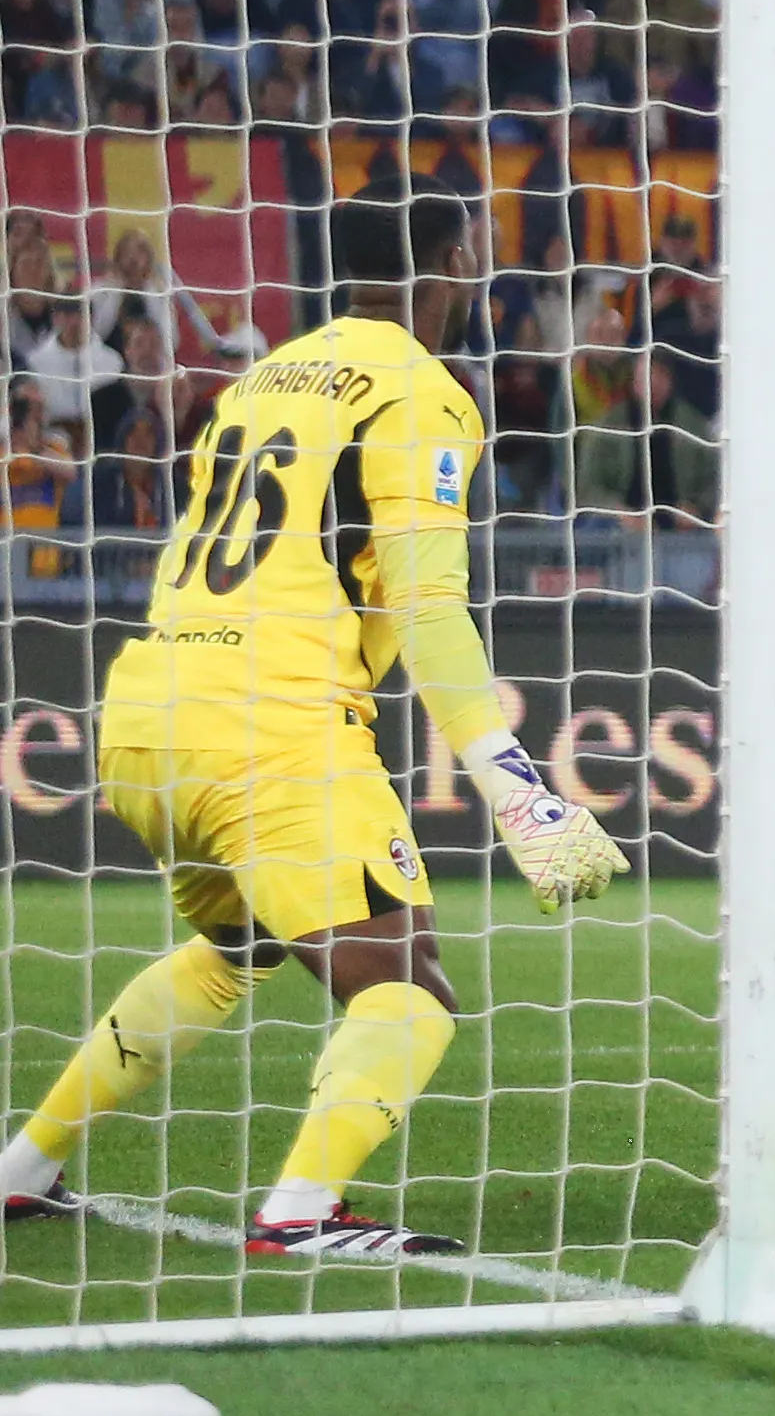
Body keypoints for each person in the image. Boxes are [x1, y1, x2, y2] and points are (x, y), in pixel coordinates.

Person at [0, 187, 625, 1255]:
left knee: (233, 943)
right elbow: (430, 610)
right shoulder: (421, 391)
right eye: (472, 252)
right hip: (272, 723)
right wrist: (519, 791)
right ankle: (300, 1213)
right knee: (410, 988)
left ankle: (23, 1165)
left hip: (149, 711)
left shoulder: (259, 379)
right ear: (455, 258)